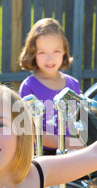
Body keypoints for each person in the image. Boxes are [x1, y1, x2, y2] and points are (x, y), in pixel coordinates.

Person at [18, 18, 84, 154]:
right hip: (42, 157)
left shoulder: (73, 84)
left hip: (72, 153)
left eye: (56, 51)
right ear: (33, 53)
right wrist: (69, 144)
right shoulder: (28, 87)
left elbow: (80, 122)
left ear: (65, 51)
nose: (50, 59)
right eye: (42, 52)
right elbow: (30, 133)